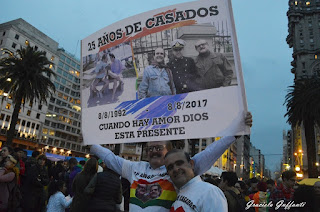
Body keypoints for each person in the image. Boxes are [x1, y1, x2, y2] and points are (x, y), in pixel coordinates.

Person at [91, 112, 252, 211]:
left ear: (169, 150)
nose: (153, 151)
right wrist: (91, 143)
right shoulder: (134, 168)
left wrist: (234, 133)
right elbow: (111, 158)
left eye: (158, 147)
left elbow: (210, 152)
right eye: (150, 148)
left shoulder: (178, 170)